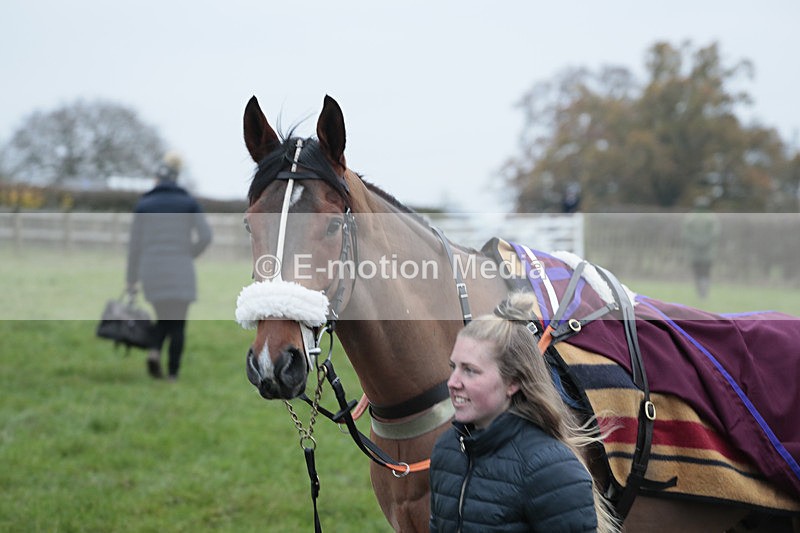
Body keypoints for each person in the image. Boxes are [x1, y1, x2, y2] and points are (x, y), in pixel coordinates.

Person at [429, 292, 619, 532]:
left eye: (470, 371)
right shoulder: (448, 450)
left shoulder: (553, 470)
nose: (453, 382)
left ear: (512, 382)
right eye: (453, 367)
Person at [126, 152, 212, 380]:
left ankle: (154, 352)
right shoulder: (188, 202)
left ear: (157, 180)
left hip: (151, 270)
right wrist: (189, 254)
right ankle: (172, 374)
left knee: (163, 317)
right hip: (180, 268)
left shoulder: (144, 205)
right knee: (177, 324)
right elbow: (206, 236)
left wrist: (131, 279)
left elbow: (134, 246)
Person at [682, 197, 720, 299]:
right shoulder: (711, 217)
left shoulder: (690, 217)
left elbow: (686, 234)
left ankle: (699, 292)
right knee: (706, 272)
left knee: (697, 272)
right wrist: (704, 242)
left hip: (694, 251)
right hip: (708, 252)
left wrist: (696, 241)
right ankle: (704, 293)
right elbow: (715, 234)